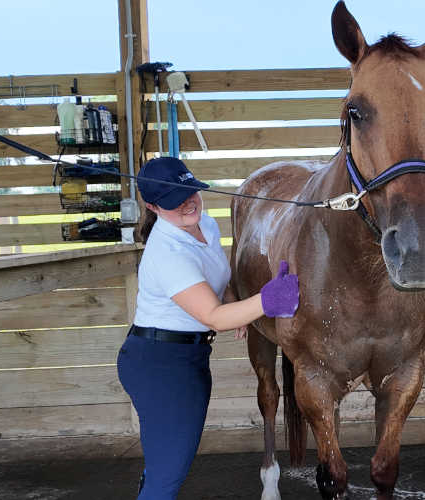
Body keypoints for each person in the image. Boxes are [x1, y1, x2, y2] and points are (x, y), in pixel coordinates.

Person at [116, 156, 299, 500]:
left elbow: (218, 280)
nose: (188, 203)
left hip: (186, 356)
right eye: (174, 201)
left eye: (191, 192)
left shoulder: (207, 225)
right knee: (169, 474)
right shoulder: (168, 252)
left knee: (164, 463)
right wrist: (266, 301)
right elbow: (213, 316)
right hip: (160, 364)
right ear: (153, 207)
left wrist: (236, 303)